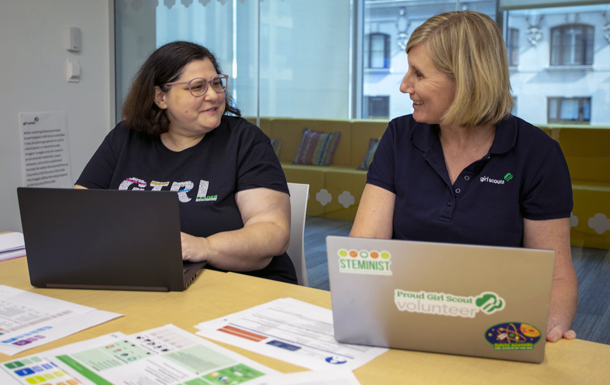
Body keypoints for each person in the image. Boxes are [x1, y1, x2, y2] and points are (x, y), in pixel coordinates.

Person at [350, 11, 577, 342]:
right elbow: (365, 251)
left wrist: (548, 329)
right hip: (402, 316)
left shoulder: (538, 155)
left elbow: (556, 278)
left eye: (419, 74)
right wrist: (360, 312)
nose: (404, 86)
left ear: (467, 79)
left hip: (497, 327)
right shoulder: (400, 136)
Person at [75, 41, 297, 284]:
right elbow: (77, 213)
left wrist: (204, 247)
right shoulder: (125, 138)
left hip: (239, 284)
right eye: (197, 87)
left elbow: (273, 232)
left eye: (216, 83)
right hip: (140, 277)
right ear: (160, 97)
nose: (213, 95)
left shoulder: (244, 141)